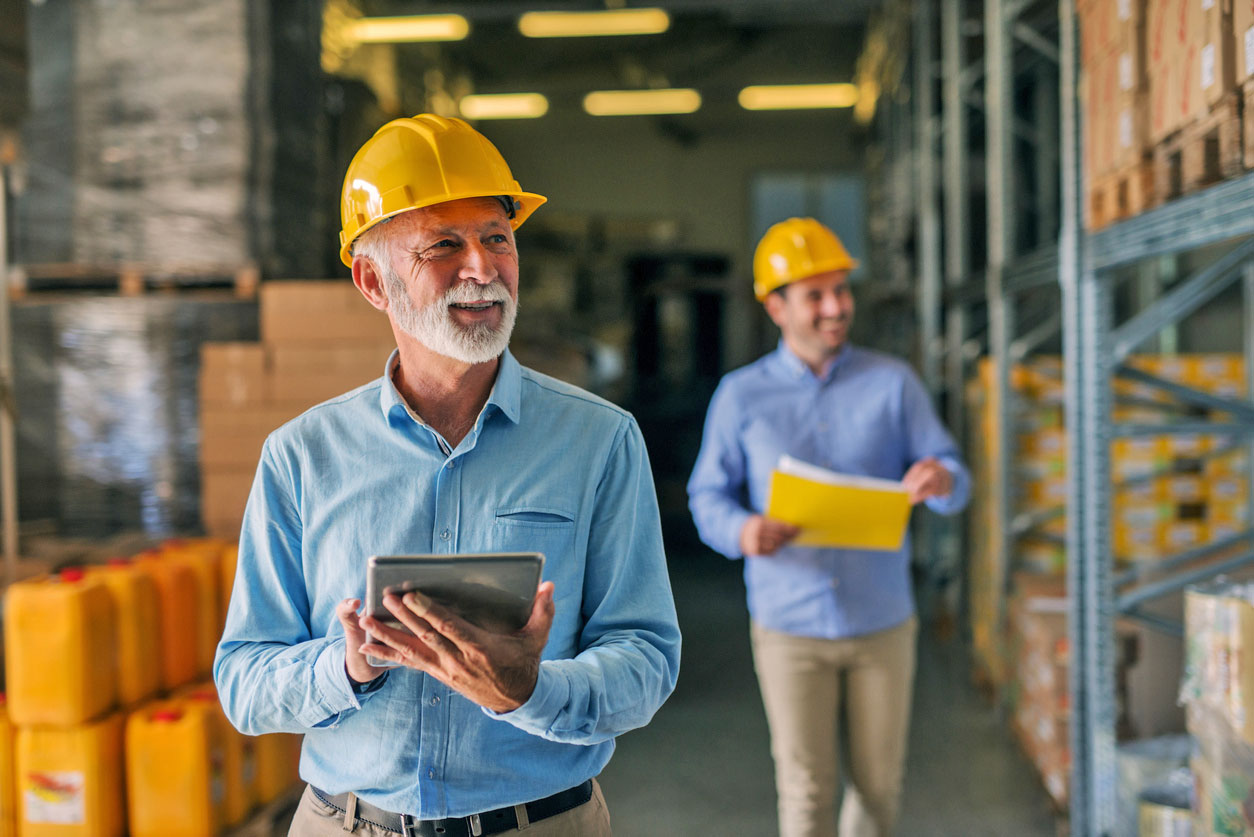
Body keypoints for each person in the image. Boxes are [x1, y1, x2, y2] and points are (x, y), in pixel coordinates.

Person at [214, 114, 681, 837]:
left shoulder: (599, 441)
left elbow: (647, 658)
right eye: (445, 245)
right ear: (373, 280)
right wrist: (346, 666)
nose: (483, 268)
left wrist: (532, 690)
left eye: (497, 237)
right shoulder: (302, 456)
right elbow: (244, 681)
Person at [687, 217, 969, 837]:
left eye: (842, 290)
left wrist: (941, 479)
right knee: (806, 793)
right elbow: (706, 496)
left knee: (877, 789)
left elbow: (954, 474)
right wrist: (742, 531)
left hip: (882, 624)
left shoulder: (893, 383)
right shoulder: (741, 397)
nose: (837, 308)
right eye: (816, 295)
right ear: (775, 306)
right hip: (790, 629)